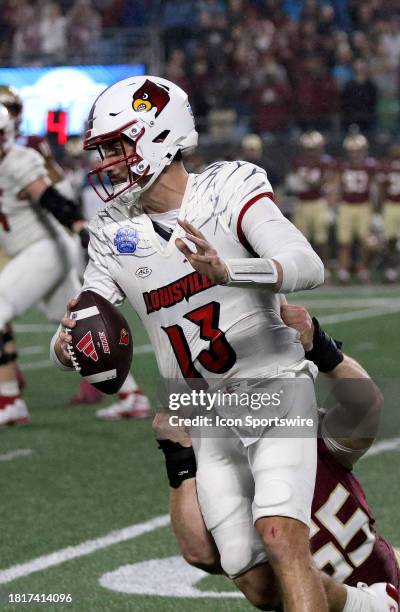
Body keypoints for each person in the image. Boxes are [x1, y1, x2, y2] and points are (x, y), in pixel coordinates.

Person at [51, 74, 328, 611]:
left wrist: (230, 270)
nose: (107, 161)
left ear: (159, 134)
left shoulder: (228, 187)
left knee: (280, 535)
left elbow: (307, 265)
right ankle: (371, 606)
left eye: (117, 146)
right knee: (251, 578)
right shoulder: (112, 230)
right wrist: (68, 347)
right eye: (103, 149)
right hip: (202, 411)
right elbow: (82, 324)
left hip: (272, 383)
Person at [153, 302, 400, 612]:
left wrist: (321, 346)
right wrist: (178, 457)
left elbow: (366, 408)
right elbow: (200, 553)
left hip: (382, 581)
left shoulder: (300, 426)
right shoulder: (214, 460)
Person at [0, 85, 150, 420]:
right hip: (42, 252)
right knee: (80, 328)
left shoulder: (18, 158)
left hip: (44, 251)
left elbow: (50, 198)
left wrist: (80, 225)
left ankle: (9, 400)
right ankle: (132, 396)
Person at [286, 131, 336, 272]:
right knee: (300, 240)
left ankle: (324, 268)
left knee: (322, 239)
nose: (311, 152)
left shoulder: (325, 161)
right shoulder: (298, 162)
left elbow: (325, 181)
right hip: (302, 202)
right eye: (309, 149)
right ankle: (303, 269)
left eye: (314, 148)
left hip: (318, 202)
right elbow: (292, 183)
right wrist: (307, 182)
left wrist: (308, 182)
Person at [335, 134, 380, 284]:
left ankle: (362, 268)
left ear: (364, 150)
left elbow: (375, 189)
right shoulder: (343, 166)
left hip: (364, 205)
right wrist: (334, 205)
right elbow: (337, 186)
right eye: (353, 151)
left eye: (358, 150)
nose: (355, 154)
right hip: (346, 205)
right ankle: (343, 271)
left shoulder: (370, 166)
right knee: (344, 241)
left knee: (364, 241)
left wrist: (376, 211)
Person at [378, 144, 400, 283]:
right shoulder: (386, 166)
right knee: (389, 239)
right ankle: (390, 269)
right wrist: (381, 205)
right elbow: (382, 187)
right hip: (390, 204)